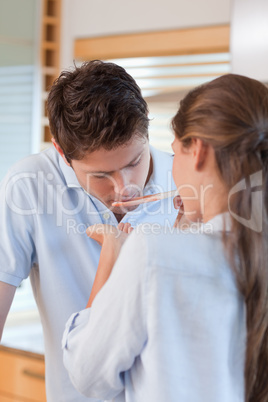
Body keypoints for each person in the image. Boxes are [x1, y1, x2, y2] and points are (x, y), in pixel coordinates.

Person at [62, 74, 268, 402]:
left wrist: (112, 254)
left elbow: (87, 374)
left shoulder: (152, 252)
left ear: (197, 151)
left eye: (176, 153)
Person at [0, 61, 179, 402]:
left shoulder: (185, 181)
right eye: (101, 176)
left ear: (145, 130)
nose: (125, 189)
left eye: (133, 163)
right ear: (62, 154)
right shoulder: (28, 186)